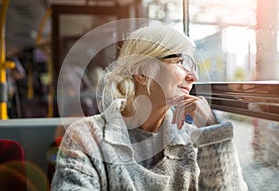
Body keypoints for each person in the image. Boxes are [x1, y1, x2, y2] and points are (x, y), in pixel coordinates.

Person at [51, 24, 247, 190]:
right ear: (142, 72)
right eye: (181, 62)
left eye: (193, 67)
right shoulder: (85, 138)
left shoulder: (192, 141)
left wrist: (212, 131)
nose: (193, 77)